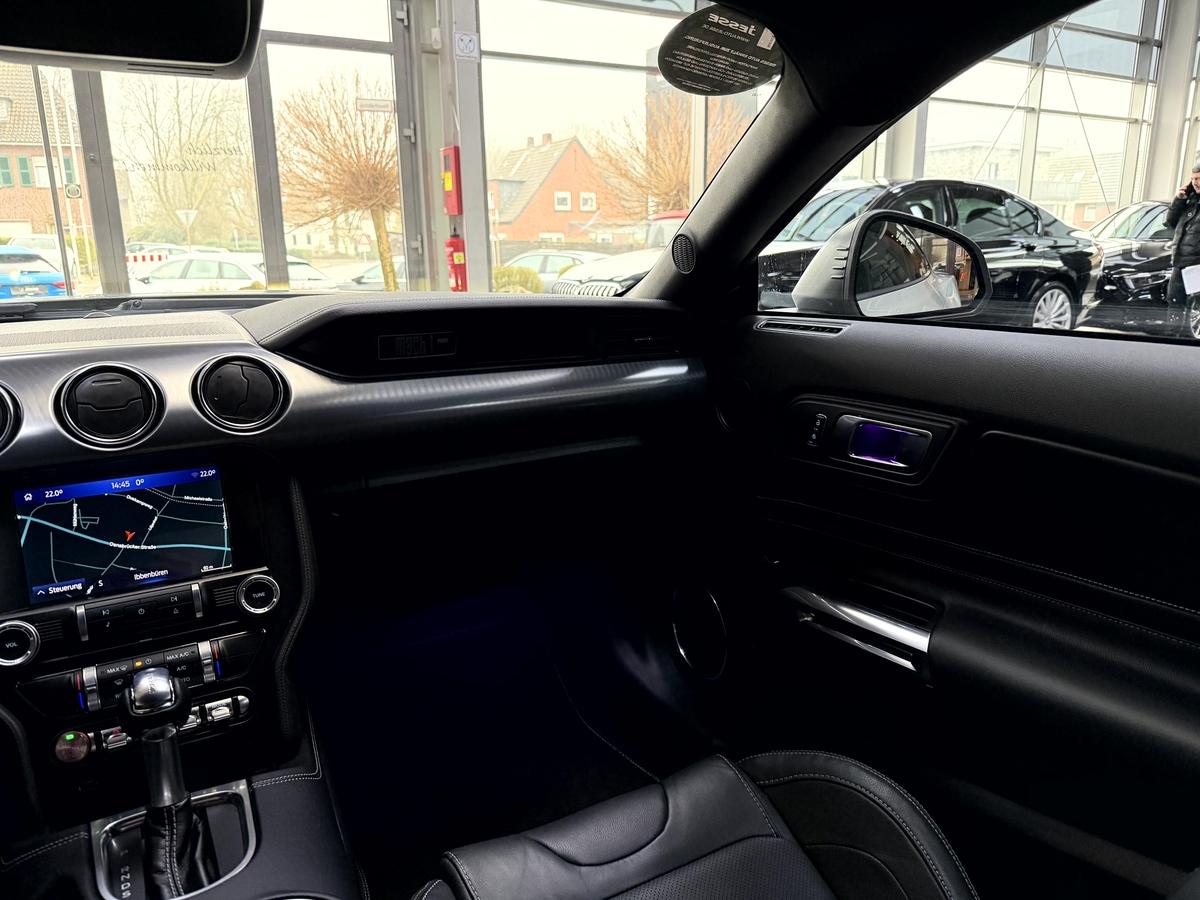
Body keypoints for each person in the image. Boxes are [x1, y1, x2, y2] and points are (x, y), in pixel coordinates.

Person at [1163, 165, 1200, 338]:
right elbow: (1171, 222)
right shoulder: (1190, 201)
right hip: (1180, 262)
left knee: (1195, 304)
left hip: (1196, 264)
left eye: (1198, 178)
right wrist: (1178, 200)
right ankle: (1173, 337)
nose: (1195, 182)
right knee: (1175, 301)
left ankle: (1190, 341)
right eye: (1192, 179)